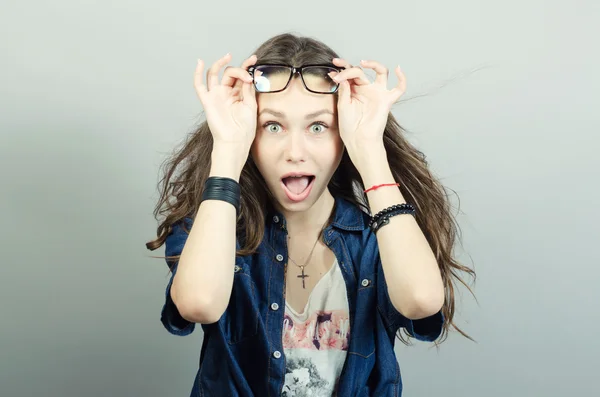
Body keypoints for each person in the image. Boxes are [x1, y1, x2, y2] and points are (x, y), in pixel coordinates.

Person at [146, 33, 475, 397]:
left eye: (318, 127)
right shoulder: (212, 228)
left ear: (343, 135)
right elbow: (199, 304)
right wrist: (226, 149)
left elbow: (421, 300)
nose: (295, 151)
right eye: (273, 126)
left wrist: (369, 148)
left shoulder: (379, 238)